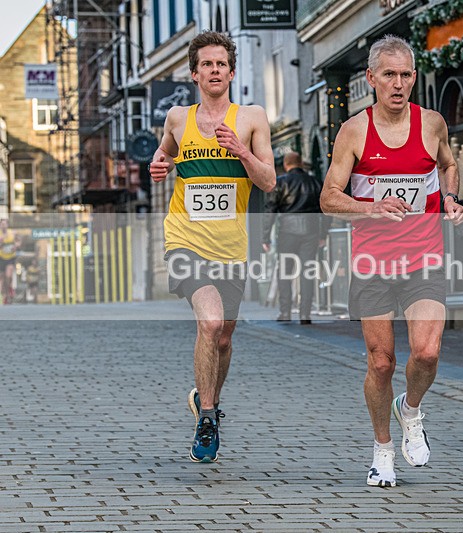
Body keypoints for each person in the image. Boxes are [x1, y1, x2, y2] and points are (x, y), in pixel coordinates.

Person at [320, 35, 463, 487]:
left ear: (414, 78)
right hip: (373, 262)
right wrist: (371, 207)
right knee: (381, 363)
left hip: (424, 256)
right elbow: (328, 198)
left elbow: (447, 165)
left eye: (405, 75)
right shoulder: (354, 131)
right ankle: (382, 449)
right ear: (371, 79)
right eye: (389, 75)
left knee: (427, 351)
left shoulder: (433, 124)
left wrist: (452, 199)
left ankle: (412, 409)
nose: (398, 84)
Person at [149, 30, 276, 463]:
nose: (215, 70)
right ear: (194, 73)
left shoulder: (252, 117)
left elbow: (269, 181)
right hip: (185, 238)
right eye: (207, 64)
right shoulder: (177, 118)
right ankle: (207, 416)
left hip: (232, 247)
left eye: (221, 63)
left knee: (223, 338)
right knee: (210, 323)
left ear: (231, 71)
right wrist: (159, 164)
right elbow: (163, 153)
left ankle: (209, 400)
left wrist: (241, 150)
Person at [262, 151, 329, 324]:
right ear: (301, 163)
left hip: (287, 232)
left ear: (286, 165)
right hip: (311, 231)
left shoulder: (281, 182)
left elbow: (270, 210)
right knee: (307, 272)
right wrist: (323, 234)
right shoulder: (315, 182)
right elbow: (326, 210)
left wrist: (265, 238)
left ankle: (285, 312)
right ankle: (305, 315)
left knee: (285, 271)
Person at [0, 218, 20, 305]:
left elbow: (19, 241)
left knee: (8, 276)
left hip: (11, 258)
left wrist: (16, 246)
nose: (3, 226)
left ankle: (8, 293)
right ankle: (5, 294)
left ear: (7, 225)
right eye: (2, 224)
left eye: (5, 224)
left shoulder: (13, 233)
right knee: (2, 277)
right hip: (1, 257)